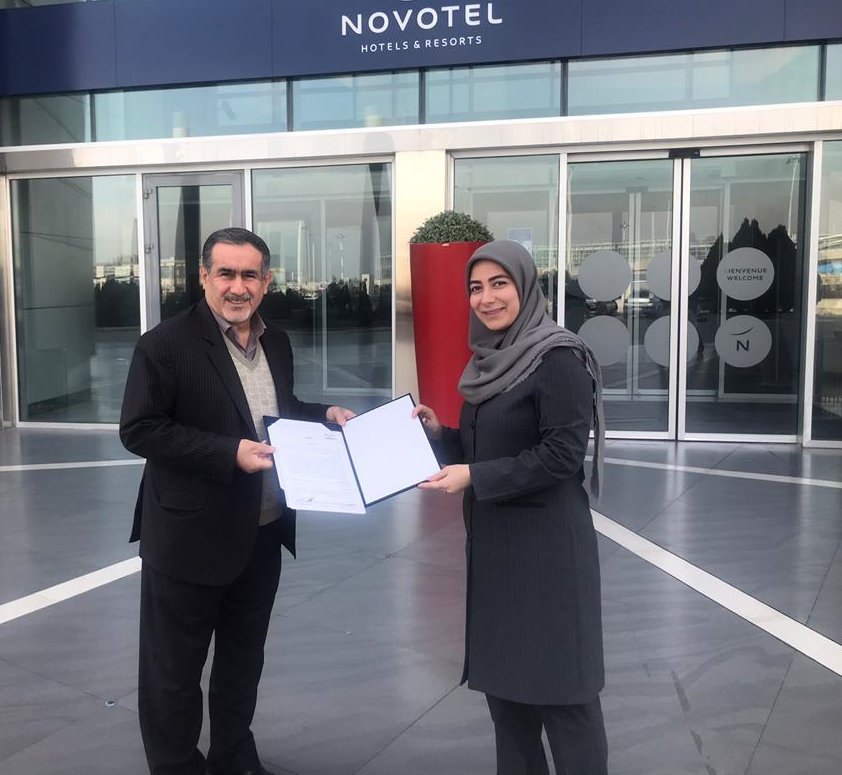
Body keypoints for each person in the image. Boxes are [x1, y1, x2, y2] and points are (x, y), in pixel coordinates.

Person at [120, 227, 355, 775]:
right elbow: (140, 429)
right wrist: (229, 453)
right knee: (173, 672)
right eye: (225, 273)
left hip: (262, 531)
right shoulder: (164, 345)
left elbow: (277, 410)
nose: (237, 286)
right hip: (188, 538)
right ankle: (176, 766)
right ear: (204, 277)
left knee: (243, 660)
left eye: (250, 275)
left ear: (266, 282)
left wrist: (323, 415)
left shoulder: (277, 342)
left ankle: (234, 758)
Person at [413, 240, 608, 775]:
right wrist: (441, 436)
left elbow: (561, 456)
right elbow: (486, 448)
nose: (486, 298)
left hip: (548, 555)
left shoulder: (558, 359)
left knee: (564, 697)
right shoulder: (490, 360)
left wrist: (475, 477)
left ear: (525, 286)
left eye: (499, 283)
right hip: (497, 553)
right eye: (476, 287)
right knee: (508, 700)